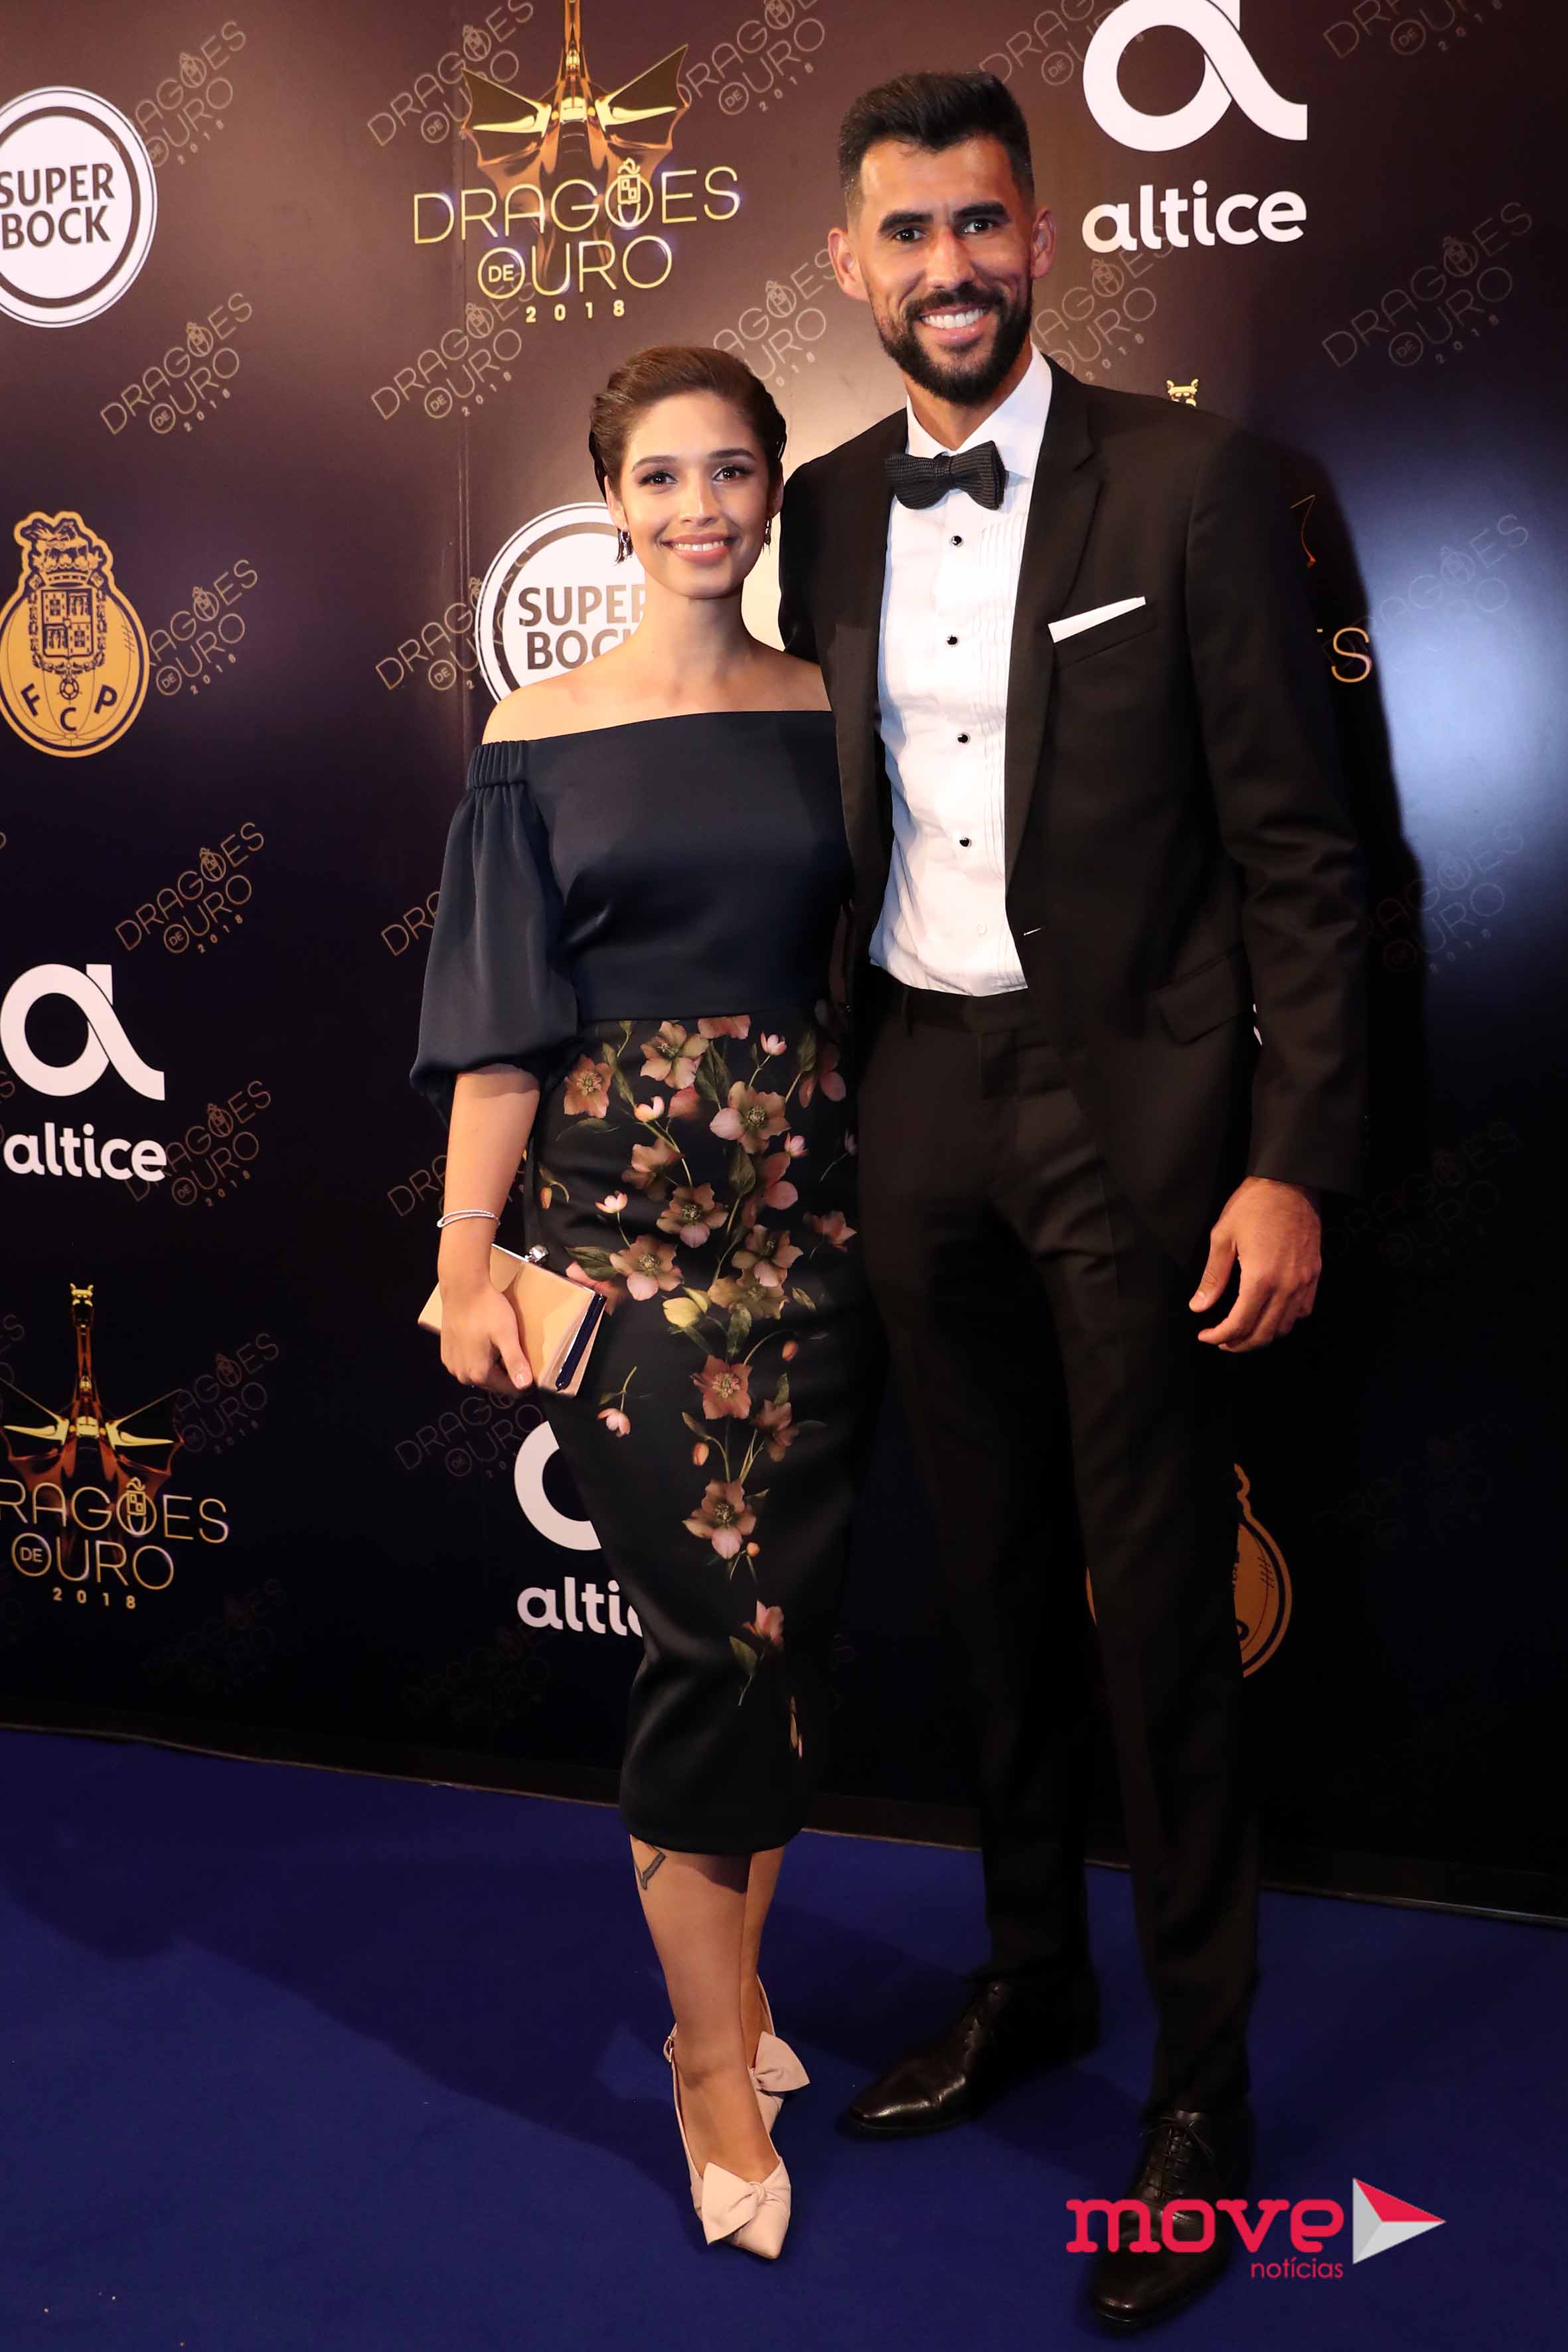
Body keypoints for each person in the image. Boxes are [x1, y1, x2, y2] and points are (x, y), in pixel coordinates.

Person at [778, 72, 1368, 2330]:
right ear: (848, 263)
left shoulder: (1196, 483)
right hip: (911, 1096)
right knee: (990, 1588)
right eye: (906, 233)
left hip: (1136, 1116)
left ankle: (1200, 2093)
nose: (948, 268)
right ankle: (1029, 1977)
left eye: (980, 225)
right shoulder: (823, 510)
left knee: (1156, 1622)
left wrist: (1286, 1156)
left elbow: (1300, 858)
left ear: (1042, 235)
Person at [410, 345, 876, 2260]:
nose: (702, 507)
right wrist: (465, 1255)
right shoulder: (537, 728)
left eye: (734, 471)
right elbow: (498, 1029)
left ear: (772, 491)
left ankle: (741, 1996)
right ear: (612, 500)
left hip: (819, 1238)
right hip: (620, 1258)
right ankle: (705, 2064)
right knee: (711, 1641)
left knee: (786, 1637)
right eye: (665, 475)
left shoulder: (837, 707)